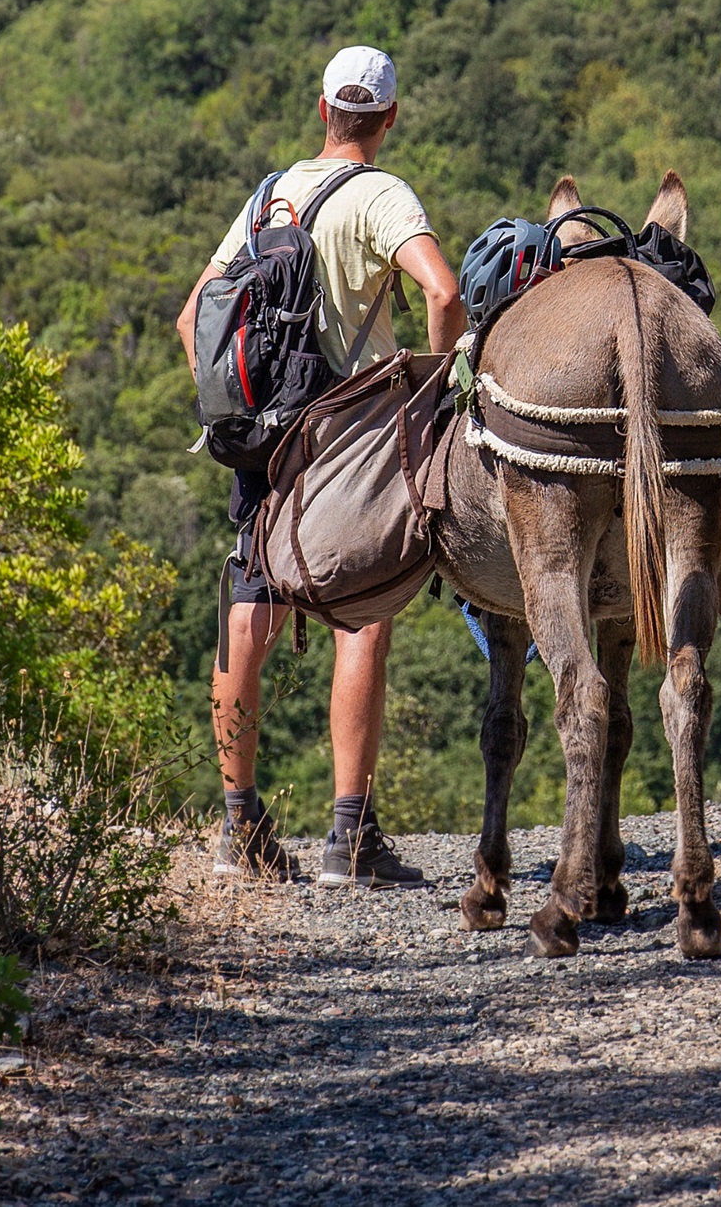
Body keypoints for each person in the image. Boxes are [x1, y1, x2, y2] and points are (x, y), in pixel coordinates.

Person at [178, 45, 467, 887]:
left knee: (247, 612)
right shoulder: (382, 194)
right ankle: (351, 836)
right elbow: (444, 295)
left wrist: (230, 402)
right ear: (388, 118)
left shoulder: (271, 196)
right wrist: (435, 395)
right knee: (362, 611)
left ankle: (240, 830)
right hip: (351, 428)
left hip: (260, 430)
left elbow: (196, 312)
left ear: (321, 110)